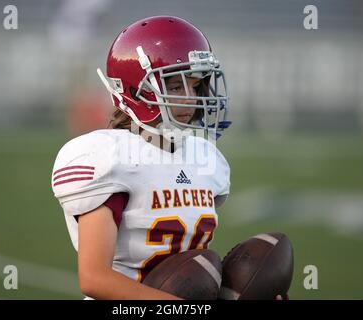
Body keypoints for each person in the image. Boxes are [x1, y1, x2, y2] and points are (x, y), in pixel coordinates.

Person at [51, 15, 233, 300]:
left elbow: (192, 273)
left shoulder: (206, 158)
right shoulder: (108, 157)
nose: (190, 97)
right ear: (136, 89)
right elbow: (94, 279)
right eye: (174, 86)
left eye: (195, 85)